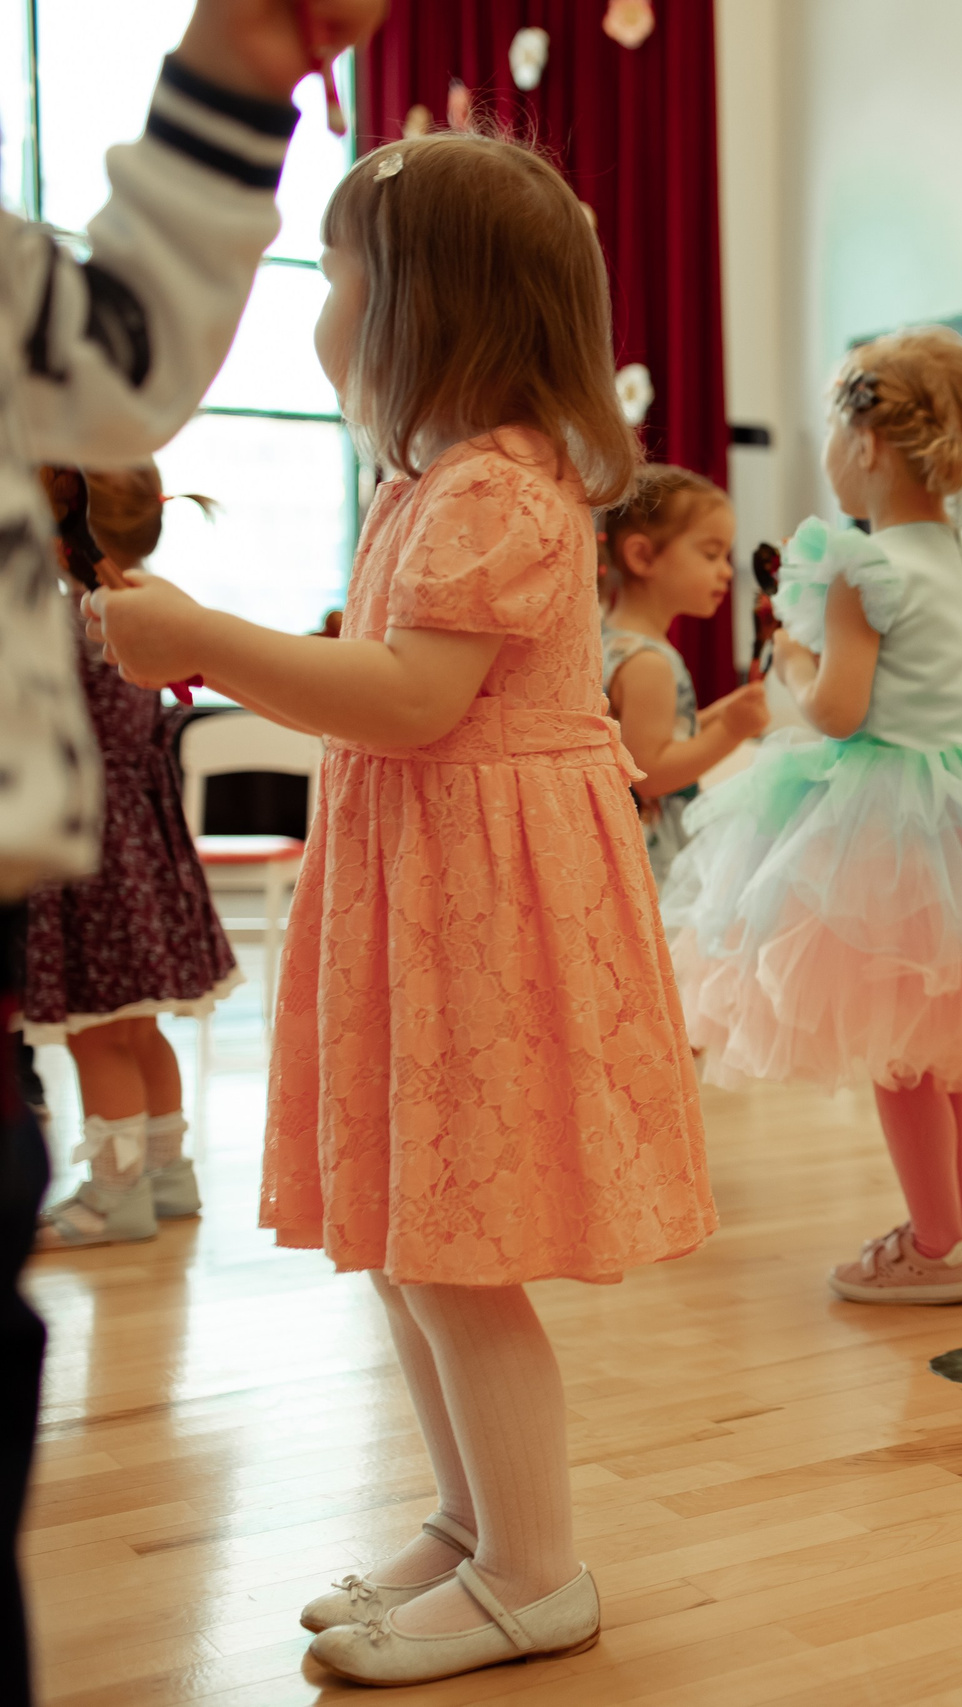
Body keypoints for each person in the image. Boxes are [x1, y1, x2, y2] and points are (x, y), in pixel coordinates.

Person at [92, 128, 714, 1688]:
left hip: (483, 897)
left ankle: (535, 1564)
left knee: (454, 1238)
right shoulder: (440, 483)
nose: (320, 299)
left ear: (424, 306)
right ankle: (471, 1516)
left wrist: (199, 637)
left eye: (340, 271)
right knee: (412, 1228)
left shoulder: (495, 490)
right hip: (432, 880)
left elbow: (407, 698)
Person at [0, 7, 384, 1699]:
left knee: (103, 1043)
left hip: (63, 876)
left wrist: (237, 67)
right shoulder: (114, 619)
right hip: (85, 872)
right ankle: (130, 1171)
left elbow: (114, 336)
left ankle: (128, 1172)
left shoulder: (112, 613)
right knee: (109, 1039)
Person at [660, 325, 962, 1306]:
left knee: (900, 1055)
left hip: (883, 815)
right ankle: (950, 1226)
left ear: (863, 441)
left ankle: (939, 1243)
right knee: (947, 1050)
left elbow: (838, 710)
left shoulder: (859, 567)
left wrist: (791, 658)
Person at [21, 466, 237, 1249]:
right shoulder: (147, 602)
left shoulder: (75, 615)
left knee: (97, 1030)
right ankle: (166, 1174)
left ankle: (116, 1195)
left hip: (92, 847)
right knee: (139, 1027)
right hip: (145, 841)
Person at [599, 464, 770, 881]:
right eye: (711, 554)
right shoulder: (649, 663)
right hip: (653, 859)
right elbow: (653, 773)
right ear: (642, 556)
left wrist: (717, 714)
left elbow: (662, 732)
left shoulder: (613, 636)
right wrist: (730, 730)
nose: (726, 571)